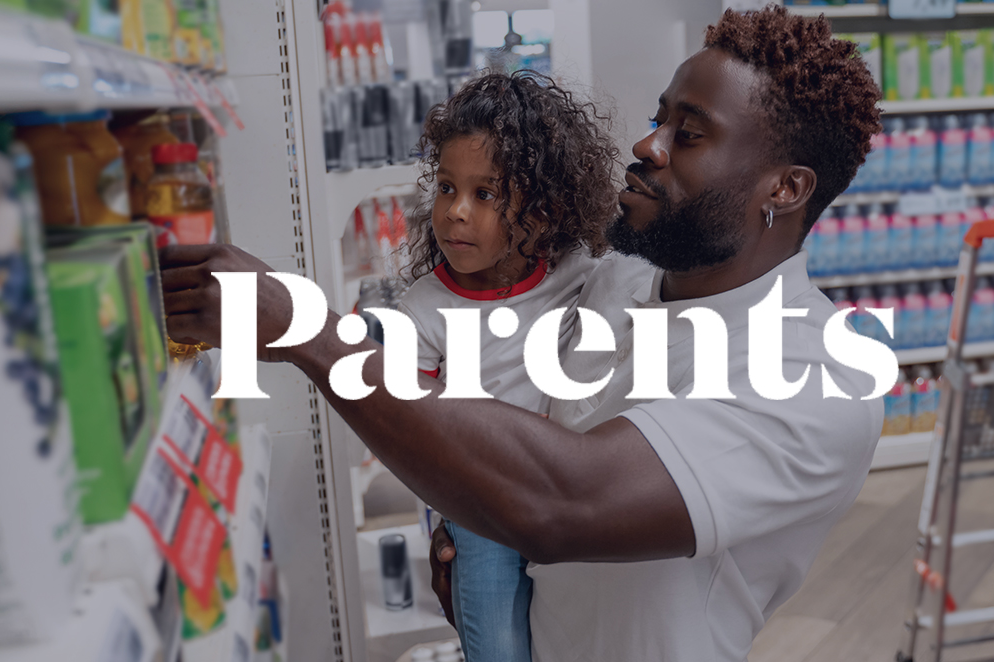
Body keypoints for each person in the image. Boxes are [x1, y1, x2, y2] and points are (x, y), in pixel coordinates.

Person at [159, 6, 885, 660]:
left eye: (687, 134)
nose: (648, 143)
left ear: (785, 189)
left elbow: (563, 499)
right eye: (659, 118)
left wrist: (306, 334)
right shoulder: (612, 283)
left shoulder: (819, 374)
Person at [397, 71, 616, 662]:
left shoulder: (580, 273)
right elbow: (404, 427)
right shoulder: (423, 311)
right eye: (446, 188)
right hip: (484, 514)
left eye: (485, 194)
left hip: (566, 496)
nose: (456, 213)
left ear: (543, 211)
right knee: (498, 649)